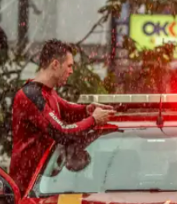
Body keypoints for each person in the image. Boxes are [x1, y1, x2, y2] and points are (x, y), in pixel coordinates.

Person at [10, 39, 114, 194]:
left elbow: (66, 109)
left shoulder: (46, 92)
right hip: (26, 191)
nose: (71, 71)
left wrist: (88, 109)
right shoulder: (32, 95)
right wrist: (93, 120)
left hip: (43, 186)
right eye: (69, 65)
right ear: (55, 64)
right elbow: (62, 132)